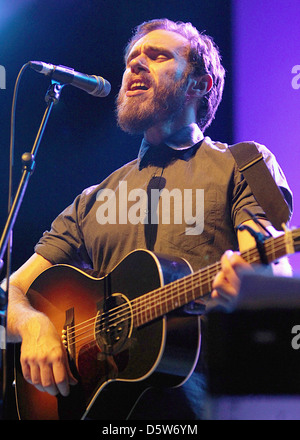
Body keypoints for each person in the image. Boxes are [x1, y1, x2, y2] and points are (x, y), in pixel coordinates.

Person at [4, 18, 293, 419]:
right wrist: (33, 326)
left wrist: (254, 286)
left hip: (207, 405)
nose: (135, 65)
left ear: (199, 84)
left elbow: (270, 266)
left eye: (157, 56)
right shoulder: (93, 198)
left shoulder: (244, 164)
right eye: (132, 58)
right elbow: (9, 292)